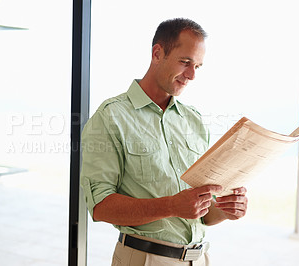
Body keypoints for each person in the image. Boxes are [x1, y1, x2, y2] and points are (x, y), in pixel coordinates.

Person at [80, 18, 248, 266]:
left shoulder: (194, 121)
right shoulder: (111, 117)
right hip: (145, 259)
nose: (191, 75)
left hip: (200, 259)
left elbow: (203, 214)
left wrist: (226, 209)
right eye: (185, 62)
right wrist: (171, 205)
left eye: (198, 67)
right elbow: (100, 207)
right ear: (157, 53)